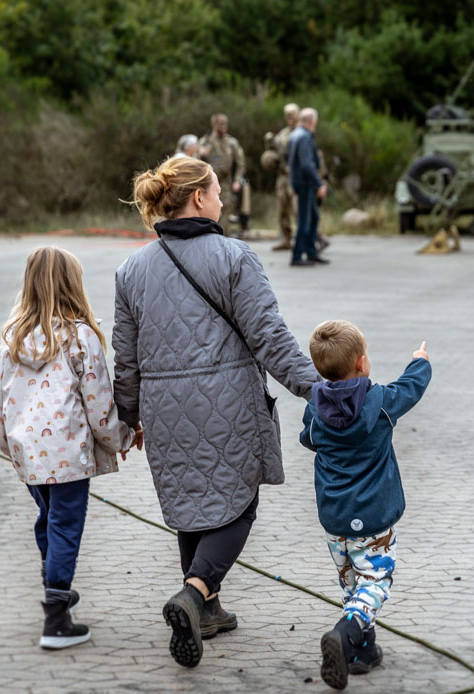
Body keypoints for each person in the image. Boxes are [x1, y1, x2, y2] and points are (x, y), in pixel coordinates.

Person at [115, 155, 321, 667]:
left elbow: (125, 356)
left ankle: (206, 611)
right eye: (218, 189)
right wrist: (322, 391)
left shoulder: (130, 269)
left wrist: (127, 415)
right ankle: (195, 590)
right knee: (239, 500)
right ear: (199, 198)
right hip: (226, 399)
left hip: (164, 408)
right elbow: (270, 338)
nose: (225, 197)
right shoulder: (234, 256)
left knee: (192, 498)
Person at [0, 247, 142, 650]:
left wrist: (11, 448)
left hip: (30, 455)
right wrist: (121, 437)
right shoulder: (80, 337)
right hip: (68, 455)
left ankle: (55, 590)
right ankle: (56, 619)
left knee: (48, 520)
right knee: (64, 526)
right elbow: (98, 402)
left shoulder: (12, 339)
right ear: (73, 285)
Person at [299, 321, 431, 690]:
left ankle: (361, 652)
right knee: (376, 582)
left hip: (335, 518)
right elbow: (411, 389)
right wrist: (420, 361)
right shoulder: (380, 403)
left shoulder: (315, 408)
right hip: (373, 519)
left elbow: (307, 439)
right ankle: (344, 635)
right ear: (361, 363)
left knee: (353, 584)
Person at [288, 107, 330, 267]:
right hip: (305, 184)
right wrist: (319, 183)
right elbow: (306, 164)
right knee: (304, 220)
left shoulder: (294, 135)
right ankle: (297, 255)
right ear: (312, 121)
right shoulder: (304, 137)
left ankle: (312, 252)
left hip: (299, 182)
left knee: (314, 218)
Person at [197, 113, 246, 237]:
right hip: (208, 183)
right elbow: (195, 164)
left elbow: (240, 163)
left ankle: (224, 239)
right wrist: (202, 155)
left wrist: (237, 180)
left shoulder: (231, 142)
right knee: (208, 212)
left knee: (225, 212)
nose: (224, 126)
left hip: (225, 183)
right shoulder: (205, 142)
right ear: (214, 124)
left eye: (226, 123)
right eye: (221, 124)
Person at [265, 103, 300, 251]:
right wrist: (269, 141)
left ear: (298, 114)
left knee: (297, 209)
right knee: (282, 209)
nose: (289, 117)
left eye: (292, 114)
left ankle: (304, 239)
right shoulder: (283, 134)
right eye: (287, 115)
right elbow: (272, 151)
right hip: (282, 177)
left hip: (296, 177)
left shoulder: (301, 133)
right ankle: (286, 238)